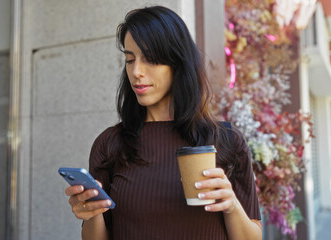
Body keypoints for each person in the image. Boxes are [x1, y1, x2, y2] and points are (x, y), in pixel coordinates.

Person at [66, 5, 262, 240]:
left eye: (149, 59)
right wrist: (90, 213)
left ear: (178, 62)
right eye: (130, 60)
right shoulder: (110, 144)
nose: (136, 71)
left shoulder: (227, 141)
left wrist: (231, 205)